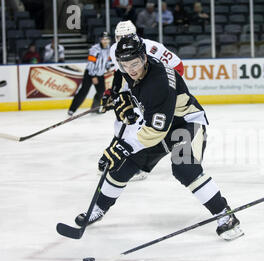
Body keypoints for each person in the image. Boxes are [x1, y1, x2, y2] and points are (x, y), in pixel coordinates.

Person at [74, 35, 244, 241]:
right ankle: (98, 209)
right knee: (122, 166)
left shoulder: (159, 81)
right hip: (160, 125)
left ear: (145, 58)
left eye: (134, 63)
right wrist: (121, 99)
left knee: (184, 168)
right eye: (125, 64)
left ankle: (225, 215)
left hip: (186, 124)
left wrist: (122, 147)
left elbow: (156, 130)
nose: (131, 69)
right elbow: (127, 87)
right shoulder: (131, 69)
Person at [100, 20, 184, 182]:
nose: (121, 41)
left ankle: (138, 166)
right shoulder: (114, 50)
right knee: (122, 117)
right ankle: (115, 153)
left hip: (158, 87)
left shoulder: (153, 48)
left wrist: (166, 91)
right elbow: (121, 72)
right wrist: (114, 92)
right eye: (118, 37)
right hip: (137, 84)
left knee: (143, 124)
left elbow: (178, 66)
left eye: (126, 36)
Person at [67, 32, 112, 116]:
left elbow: (106, 61)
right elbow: (91, 63)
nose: (105, 41)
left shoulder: (109, 49)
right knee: (83, 91)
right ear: (100, 40)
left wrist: (108, 67)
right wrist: (93, 76)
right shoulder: (95, 49)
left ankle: (95, 108)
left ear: (109, 40)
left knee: (101, 92)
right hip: (90, 74)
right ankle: (71, 110)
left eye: (107, 39)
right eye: (103, 39)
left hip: (100, 74)